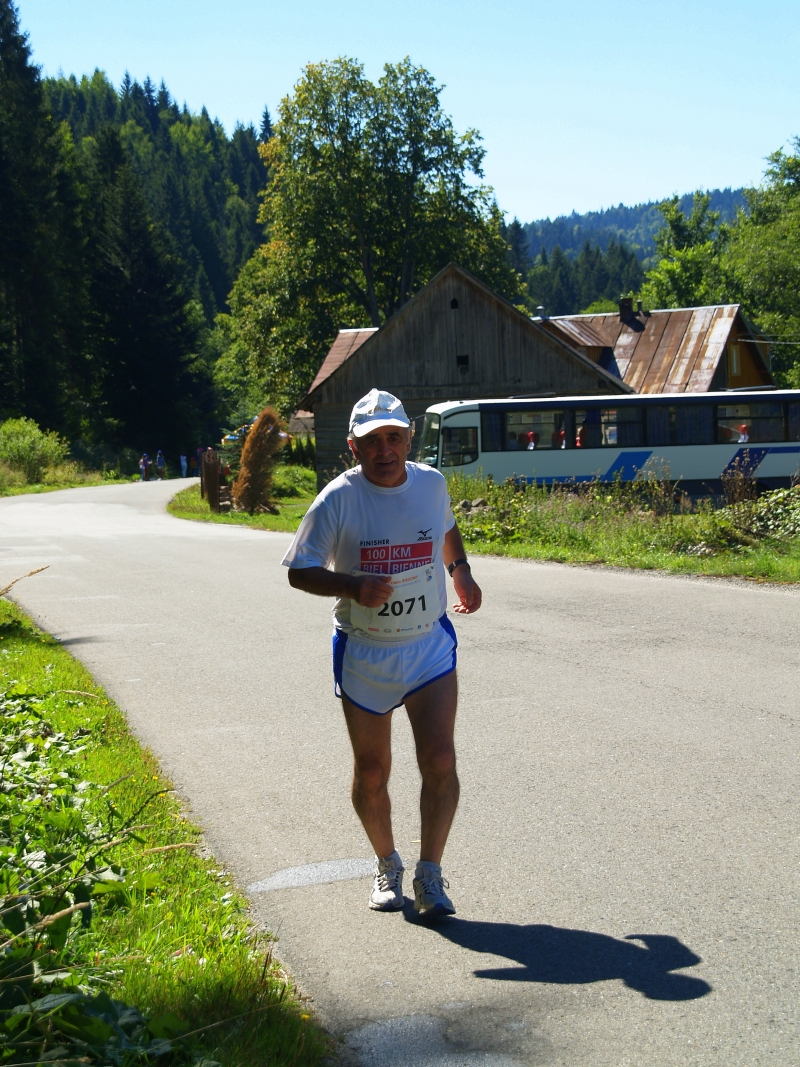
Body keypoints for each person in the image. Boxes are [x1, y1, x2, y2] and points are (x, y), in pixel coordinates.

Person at [282, 389, 482, 918]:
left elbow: (445, 525)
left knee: (440, 758)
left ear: (409, 439)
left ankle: (430, 874)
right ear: (354, 447)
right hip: (365, 652)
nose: (384, 450)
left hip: (427, 647)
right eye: (372, 441)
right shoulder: (338, 499)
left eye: (394, 437)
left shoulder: (431, 483)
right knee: (371, 771)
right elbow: (299, 571)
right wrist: (351, 586)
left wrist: (460, 571)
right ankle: (386, 863)